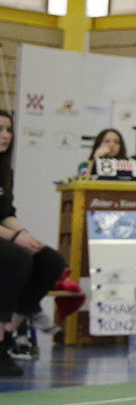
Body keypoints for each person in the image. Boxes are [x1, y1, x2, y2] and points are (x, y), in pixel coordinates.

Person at [0, 110, 69, 375]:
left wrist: (26, 236)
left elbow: (7, 213)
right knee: (15, 259)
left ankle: (10, 330)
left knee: (50, 260)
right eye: (0, 129)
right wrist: (16, 239)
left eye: (8, 129)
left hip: (5, 233)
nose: (5, 135)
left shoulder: (6, 170)